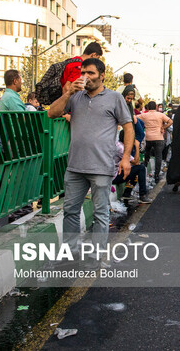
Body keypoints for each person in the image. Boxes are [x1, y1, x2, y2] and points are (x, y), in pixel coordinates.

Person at [47, 58, 133, 260]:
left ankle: (96, 254)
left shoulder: (114, 98)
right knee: (70, 210)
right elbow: (52, 113)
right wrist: (68, 92)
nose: (85, 77)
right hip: (75, 166)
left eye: (90, 73)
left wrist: (126, 158)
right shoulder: (75, 97)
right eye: (83, 72)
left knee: (101, 213)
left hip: (102, 166)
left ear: (102, 75)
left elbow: (128, 126)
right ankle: (70, 250)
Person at [113, 130, 152, 204]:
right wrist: (137, 147)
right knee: (140, 168)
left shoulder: (118, 145)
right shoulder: (121, 148)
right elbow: (135, 162)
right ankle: (142, 195)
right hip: (114, 176)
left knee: (134, 170)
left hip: (115, 173)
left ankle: (127, 193)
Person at [137, 101, 172, 181]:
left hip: (148, 137)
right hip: (159, 137)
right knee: (158, 156)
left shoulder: (144, 115)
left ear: (148, 107)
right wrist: (164, 127)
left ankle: (145, 167)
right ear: (156, 107)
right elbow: (170, 121)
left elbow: (134, 117)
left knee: (147, 153)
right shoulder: (161, 115)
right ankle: (156, 174)